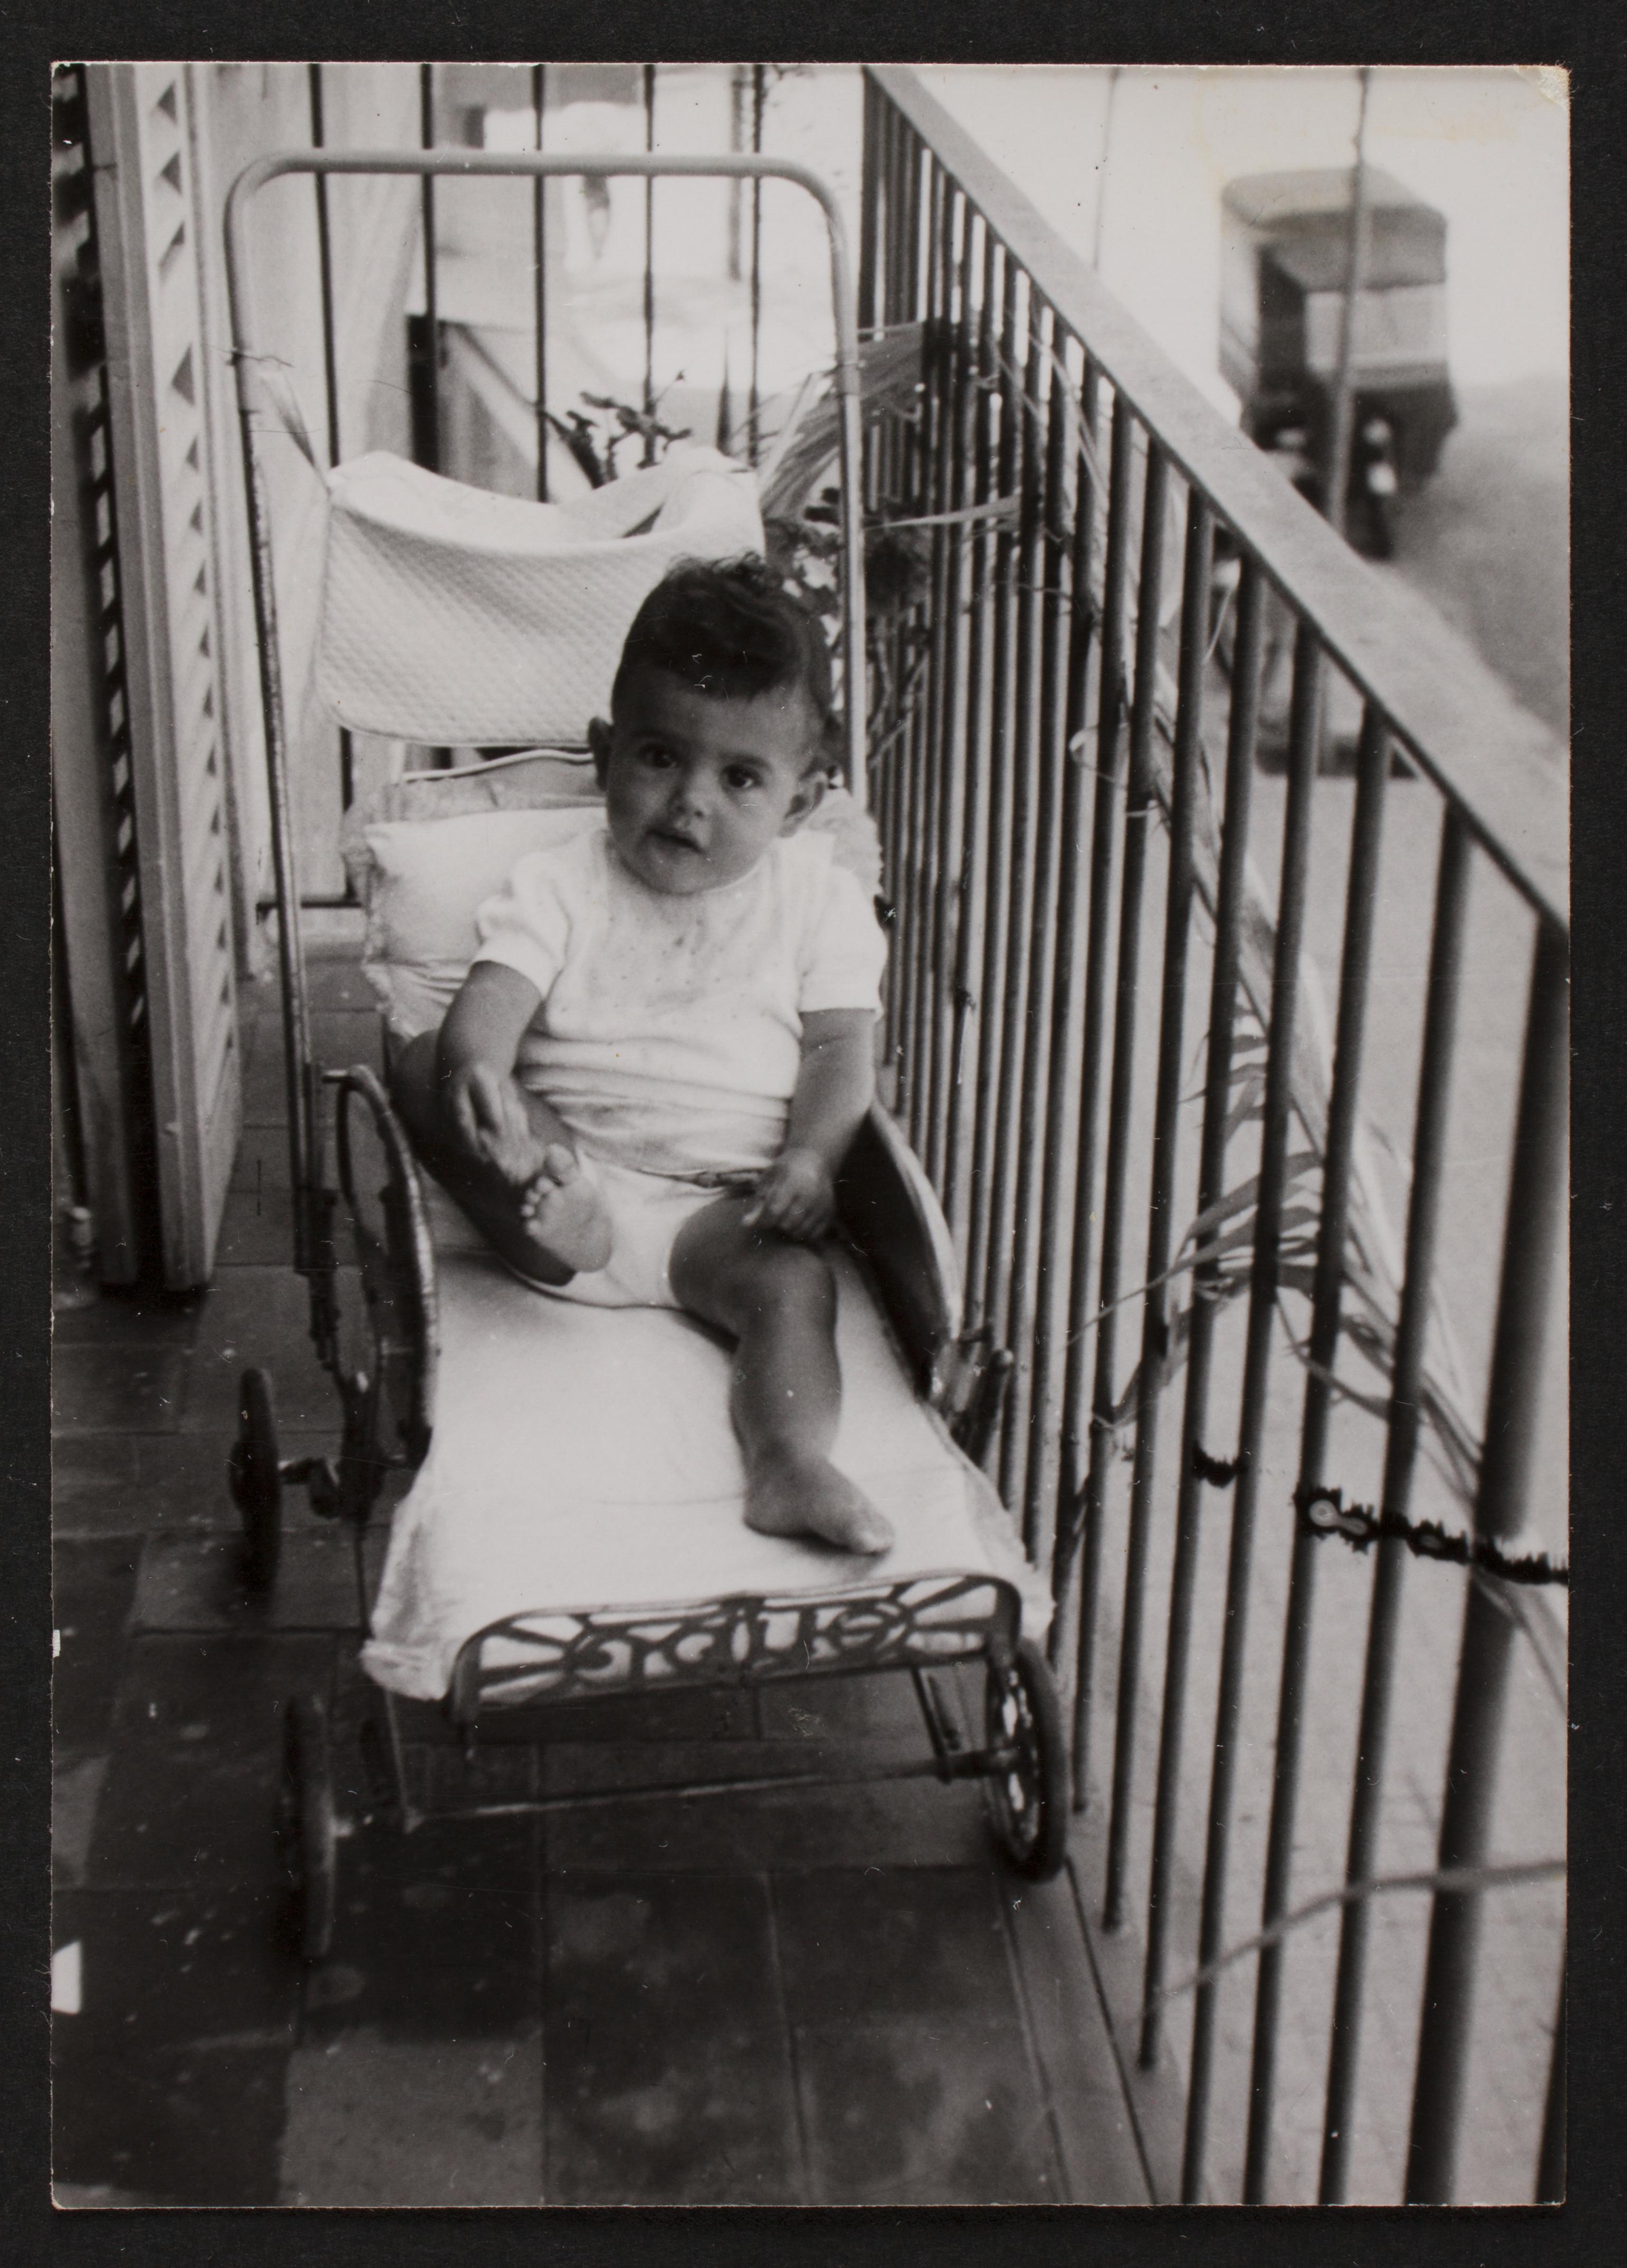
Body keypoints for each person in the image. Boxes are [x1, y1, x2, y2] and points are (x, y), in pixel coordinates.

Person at [390, 556, 894, 1555]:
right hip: (568, 1174)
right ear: (605, 754)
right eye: (661, 757)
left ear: (800, 803)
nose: (690, 802)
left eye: (740, 777)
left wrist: (811, 1161)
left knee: (796, 1292)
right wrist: (483, 1076)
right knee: (420, 1063)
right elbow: (495, 1000)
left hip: (724, 1214)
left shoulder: (817, 900)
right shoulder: (562, 884)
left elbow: (841, 1048)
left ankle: (788, 1462)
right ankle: (557, 1215)